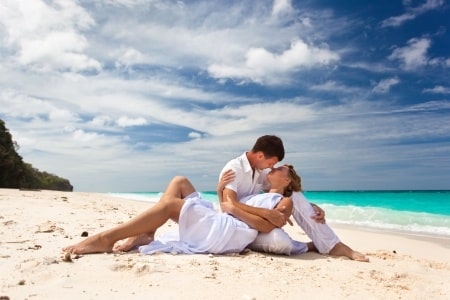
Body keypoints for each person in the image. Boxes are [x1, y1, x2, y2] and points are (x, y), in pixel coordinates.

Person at [62, 164, 299, 255]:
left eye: (280, 169)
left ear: (287, 181)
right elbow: (227, 209)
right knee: (179, 181)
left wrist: (235, 208)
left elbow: (269, 225)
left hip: (228, 234)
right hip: (224, 221)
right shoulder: (257, 195)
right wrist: (220, 192)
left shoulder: (285, 200)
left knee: (170, 205)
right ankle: (146, 233)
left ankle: (106, 238)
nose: (273, 170)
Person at [219, 135, 368, 261]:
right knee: (279, 241)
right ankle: (312, 245)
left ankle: (333, 245)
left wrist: (312, 206)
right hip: (238, 225)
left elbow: (284, 191)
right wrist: (267, 214)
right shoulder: (234, 168)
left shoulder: (260, 171)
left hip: (258, 225)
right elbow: (228, 204)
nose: (271, 168)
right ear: (260, 156)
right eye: (271, 163)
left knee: (292, 201)